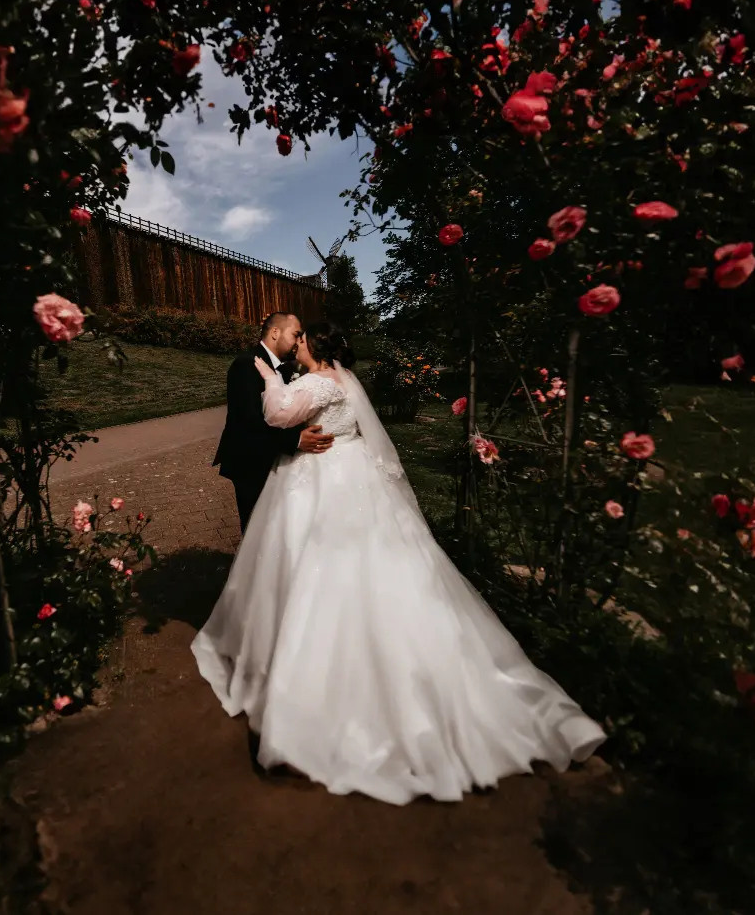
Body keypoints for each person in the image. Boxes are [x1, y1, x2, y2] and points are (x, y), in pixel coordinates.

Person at [191, 322, 606, 805]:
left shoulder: (316, 382)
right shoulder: (345, 381)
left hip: (323, 478)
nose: (297, 342)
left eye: (303, 339)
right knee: (373, 566)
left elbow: (278, 414)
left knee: (316, 567)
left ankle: (313, 686)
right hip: (355, 471)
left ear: (314, 346)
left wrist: (270, 380)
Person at [213, 312, 334, 531]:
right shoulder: (247, 364)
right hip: (251, 461)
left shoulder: (287, 368)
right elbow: (247, 423)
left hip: (277, 459)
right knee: (256, 528)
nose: (298, 342)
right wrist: (296, 440)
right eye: (296, 334)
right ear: (275, 332)